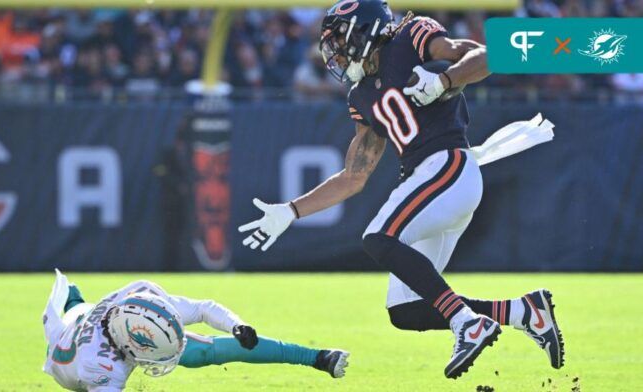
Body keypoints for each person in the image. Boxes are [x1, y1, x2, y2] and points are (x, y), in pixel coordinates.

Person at [238, 0, 563, 379]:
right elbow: (353, 176)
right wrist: (290, 211)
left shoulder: (411, 36)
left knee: (378, 237)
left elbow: (486, 56)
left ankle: (467, 323)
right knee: (407, 312)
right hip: (431, 181)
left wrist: (445, 79)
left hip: (447, 166)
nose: (337, 52)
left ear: (365, 29)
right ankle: (524, 312)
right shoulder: (361, 96)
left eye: (341, 39)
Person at [42, 270, 349, 391]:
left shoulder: (140, 300)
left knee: (202, 351)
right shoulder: (99, 365)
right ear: (132, 349)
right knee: (76, 308)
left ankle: (318, 358)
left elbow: (202, 308)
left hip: (92, 324)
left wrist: (236, 324)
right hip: (66, 359)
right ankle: (72, 295)